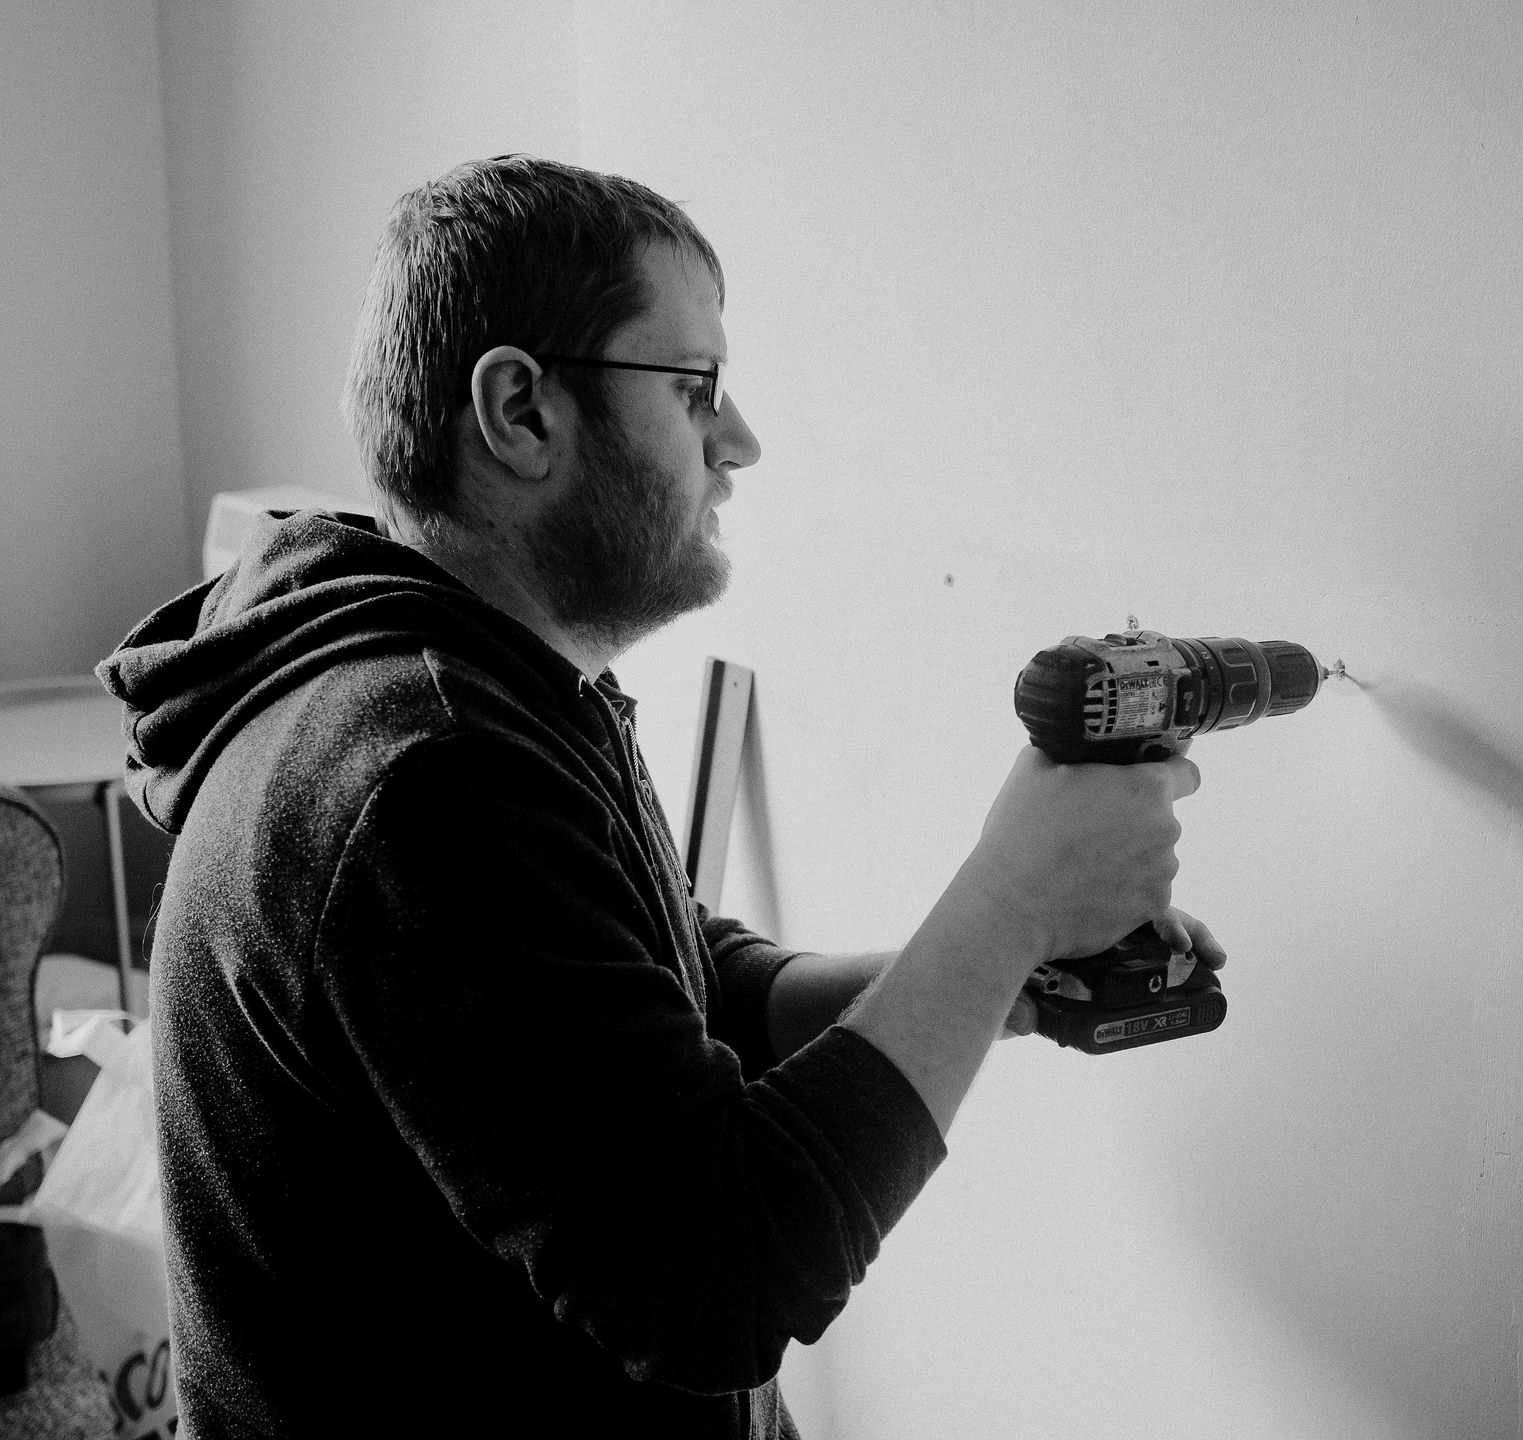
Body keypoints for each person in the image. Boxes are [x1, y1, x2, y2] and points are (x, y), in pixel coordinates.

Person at [97, 155, 1213, 1438]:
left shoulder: (481, 682)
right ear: (521, 411)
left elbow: (668, 987)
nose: (740, 442)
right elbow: (714, 1278)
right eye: (696, 391)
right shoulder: (422, 768)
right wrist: (1007, 905)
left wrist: (975, 977)